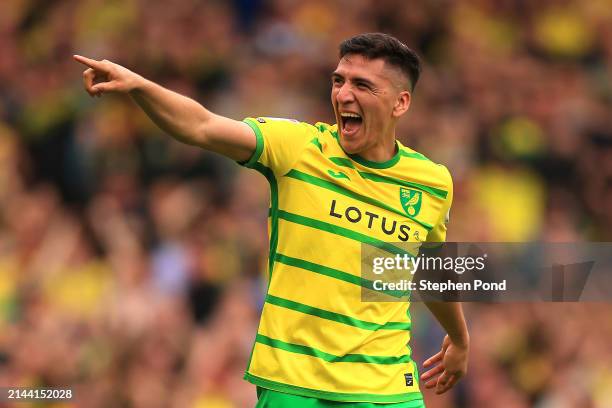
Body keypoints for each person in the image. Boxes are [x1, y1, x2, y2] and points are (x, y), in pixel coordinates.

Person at [75, 32, 469, 408]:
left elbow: (428, 267)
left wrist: (460, 339)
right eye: (338, 80)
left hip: (386, 388)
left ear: (400, 103)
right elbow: (202, 125)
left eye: (362, 85)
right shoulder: (299, 148)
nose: (343, 94)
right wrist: (140, 86)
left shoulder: (432, 183)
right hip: (295, 384)